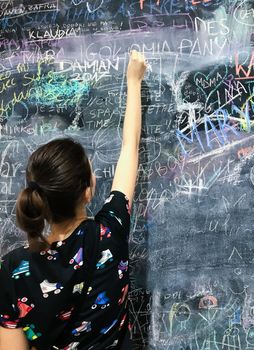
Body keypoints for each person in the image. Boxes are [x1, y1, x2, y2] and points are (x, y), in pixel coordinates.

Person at [0, 50, 146, 350]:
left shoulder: (13, 270)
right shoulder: (109, 234)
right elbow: (129, 148)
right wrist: (134, 82)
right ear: (87, 191)